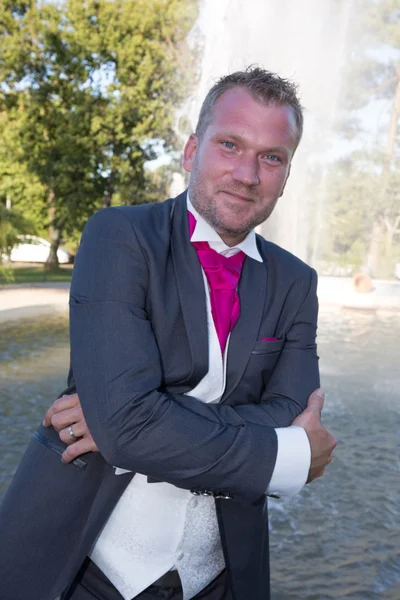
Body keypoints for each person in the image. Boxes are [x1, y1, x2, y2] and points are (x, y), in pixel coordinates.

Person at [0, 66, 336, 600]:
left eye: (271, 157)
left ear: (286, 174)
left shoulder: (297, 281)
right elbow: (134, 425)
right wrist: (283, 456)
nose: (247, 174)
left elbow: (290, 416)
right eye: (230, 145)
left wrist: (129, 421)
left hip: (220, 575)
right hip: (83, 564)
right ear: (190, 151)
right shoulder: (118, 235)